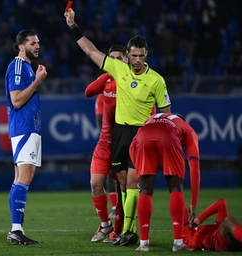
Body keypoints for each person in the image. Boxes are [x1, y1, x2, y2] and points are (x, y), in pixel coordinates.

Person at [64, 8, 171, 246]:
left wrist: (165, 136)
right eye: (133, 56)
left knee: (133, 183)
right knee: (122, 183)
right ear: (128, 54)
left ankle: (130, 230)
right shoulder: (118, 68)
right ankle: (123, 228)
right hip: (120, 132)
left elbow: (166, 113)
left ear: (146, 54)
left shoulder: (157, 80)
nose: (137, 60)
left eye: (141, 56)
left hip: (141, 135)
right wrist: (73, 26)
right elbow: (90, 50)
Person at [129, 113, 200, 252]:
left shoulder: (151, 119)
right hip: (168, 136)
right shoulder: (188, 130)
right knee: (175, 187)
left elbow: (132, 146)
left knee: (145, 191)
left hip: (144, 136)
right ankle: (178, 243)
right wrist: (194, 202)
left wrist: (139, 173)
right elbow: (195, 168)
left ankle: (143, 244)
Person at [5, 29, 47, 245]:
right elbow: (17, 100)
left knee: (19, 178)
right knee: (25, 176)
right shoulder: (19, 66)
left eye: (38, 42)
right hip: (24, 128)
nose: (37, 46)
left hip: (28, 128)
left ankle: (17, 229)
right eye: (32, 43)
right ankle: (16, 229)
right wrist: (38, 81)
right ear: (21, 46)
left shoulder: (27, 67)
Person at [84, 45, 128, 243]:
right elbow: (88, 91)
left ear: (126, 60)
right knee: (95, 183)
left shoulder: (132, 82)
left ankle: (123, 228)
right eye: (112, 59)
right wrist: (106, 75)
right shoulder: (107, 82)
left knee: (124, 190)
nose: (116, 62)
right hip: (104, 143)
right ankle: (105, 224)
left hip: (123, 144)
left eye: (119, 58)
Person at [95, 93, 118, 218]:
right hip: (110, 139)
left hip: (126, 136)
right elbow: (100, 119)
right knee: (112, 173)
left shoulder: (126, 91)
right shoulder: (102, 97)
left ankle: (128, 205)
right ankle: (115, 207)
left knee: (128, 174)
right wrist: (106, 138)